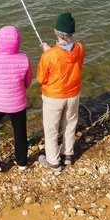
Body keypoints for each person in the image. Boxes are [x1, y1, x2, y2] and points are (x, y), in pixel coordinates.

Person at [37, 13, 86, 171]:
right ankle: (68, 155)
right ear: (72, 34)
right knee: (70, 124)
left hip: (54, 96)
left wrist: (47, 53)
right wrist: (50, 52)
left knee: (51, 128)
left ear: (55, 32)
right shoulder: (79, 48)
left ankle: (53, 161)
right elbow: (67, 58)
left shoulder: (49, 56)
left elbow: (41, 78)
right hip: (73, 94)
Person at [0, 26, 32, 172]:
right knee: (20, 131)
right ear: (18, 43)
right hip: (18, 103)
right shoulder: (24, 59)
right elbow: (27, 83)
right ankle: (22, 162)